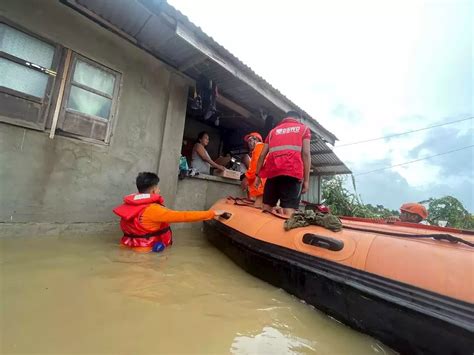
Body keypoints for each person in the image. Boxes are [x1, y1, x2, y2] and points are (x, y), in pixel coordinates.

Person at [113, 172, 227, 253]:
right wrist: (213, 213)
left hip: (127, 246)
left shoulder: (130, 205)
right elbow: (184, 216)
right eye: (158, 188)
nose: (159, 190)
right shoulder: (154, 210)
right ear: (153, 190)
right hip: (145, 253)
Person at [255, 111, 311, 217]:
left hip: (272, 173)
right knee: (288, 210)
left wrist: (258, 175)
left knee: (267, 208)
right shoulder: (304, 129)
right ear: (298, 119)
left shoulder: (272, 132)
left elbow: (262, 155)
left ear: (284, 118)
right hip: (292, 173)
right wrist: (307, 180)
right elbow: (306, 154)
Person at [241, 132, 266, 207]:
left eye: (250, 140)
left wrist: (246, 178)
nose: (249, 143)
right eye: (248, 141)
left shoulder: (259, 148)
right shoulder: (263, 149)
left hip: (261, 184)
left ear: (256, 140)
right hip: (264, 184)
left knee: (256, 208)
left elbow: (256, 167)